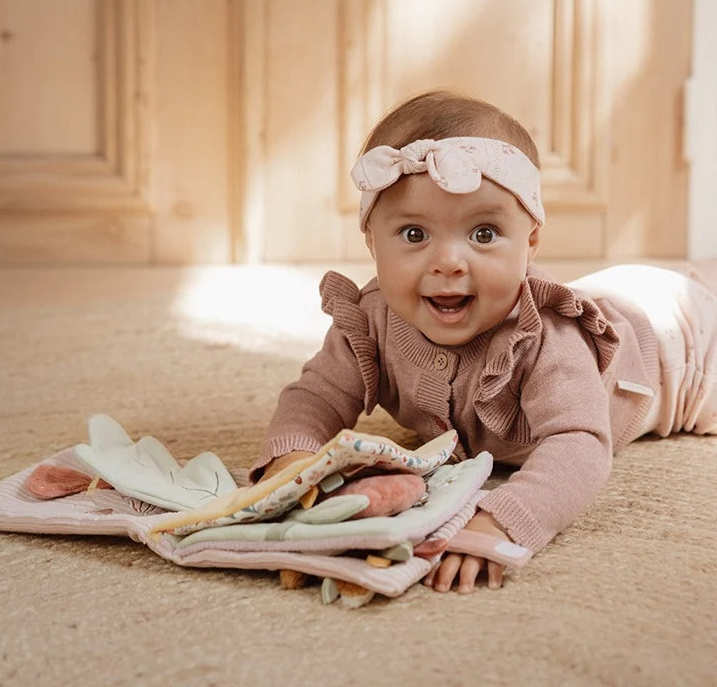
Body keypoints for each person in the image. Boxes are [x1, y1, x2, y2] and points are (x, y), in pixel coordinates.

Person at [250, 90, 717, 594]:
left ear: (531, 242)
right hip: (627, 294)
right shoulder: (370, 320)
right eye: (413, 235)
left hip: (679, 348)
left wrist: (502, 520)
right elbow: (317, 394)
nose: (449, 262)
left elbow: (580, 444)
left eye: (484, 233)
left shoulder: (547, 338)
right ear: (371, 241)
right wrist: (293, 462)